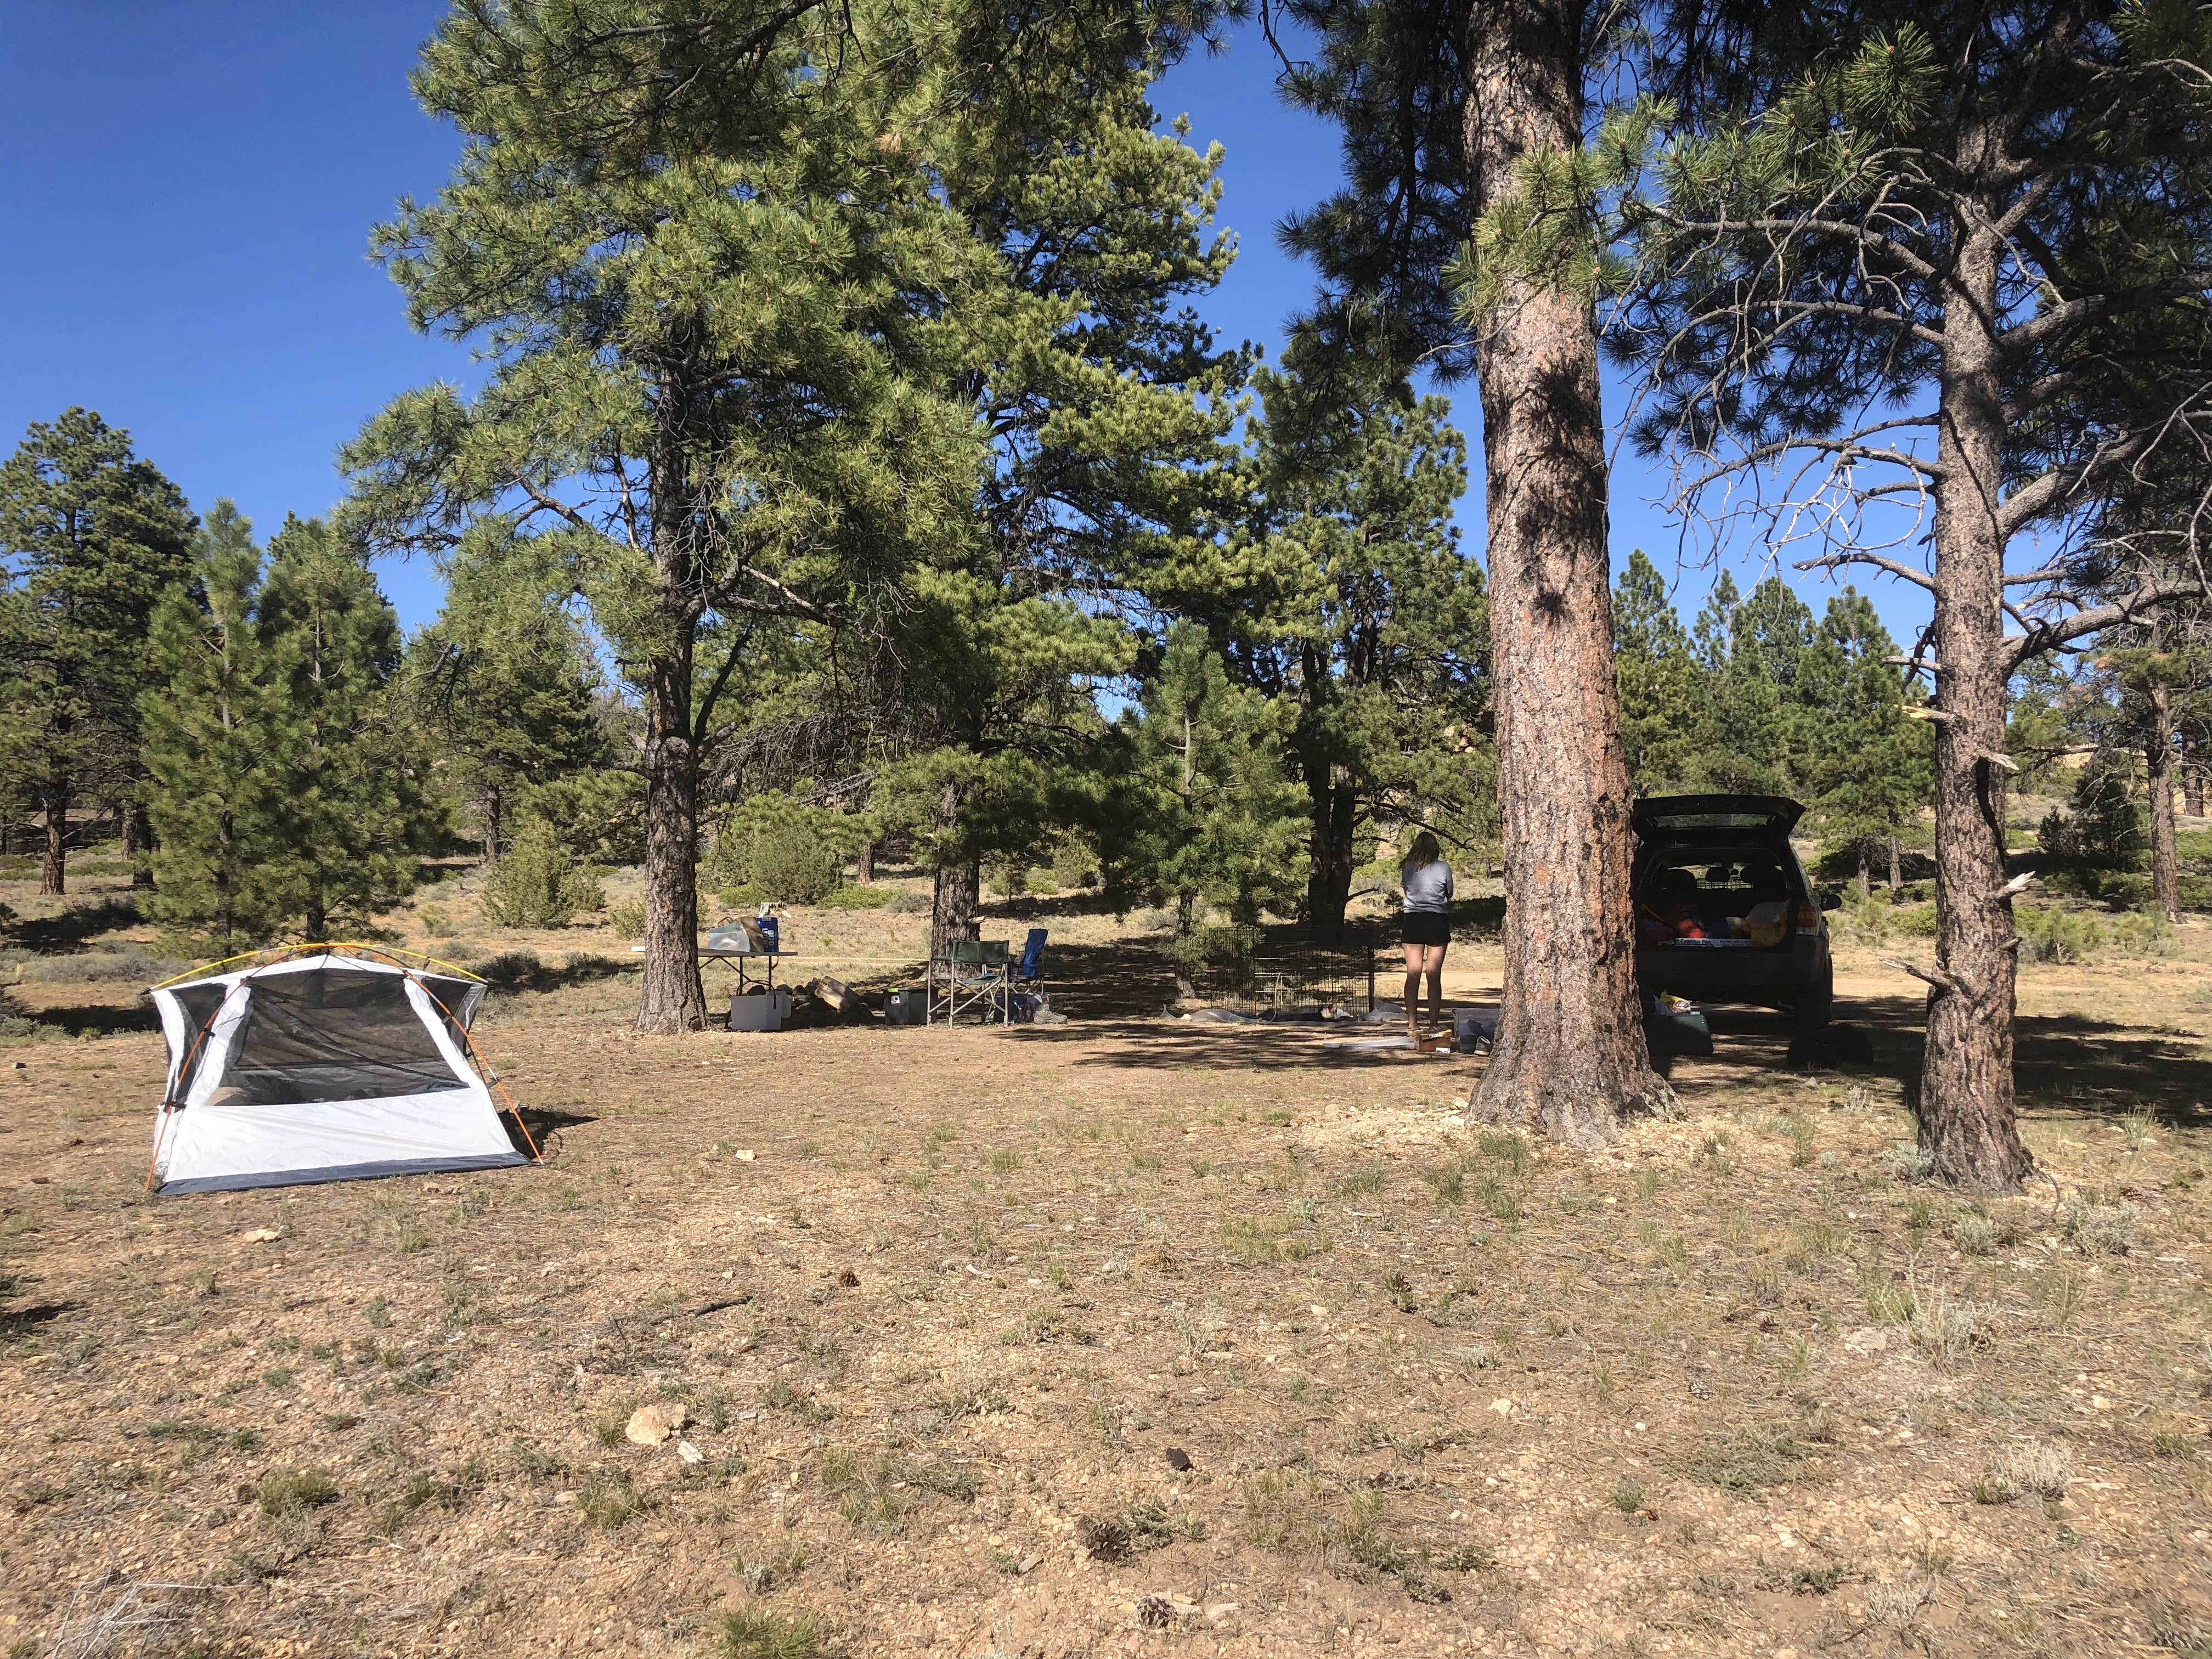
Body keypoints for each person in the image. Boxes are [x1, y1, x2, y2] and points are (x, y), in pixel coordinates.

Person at [1398, 830, 1453, 1039]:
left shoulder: (1407, 867)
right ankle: (1433, 1024)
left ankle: (1412, 1023)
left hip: (1413, 920)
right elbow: (1449, 892)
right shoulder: (1443, 867)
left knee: (1413, 973)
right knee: (1433, 974)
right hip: (1436, 921)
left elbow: (1406, 891)